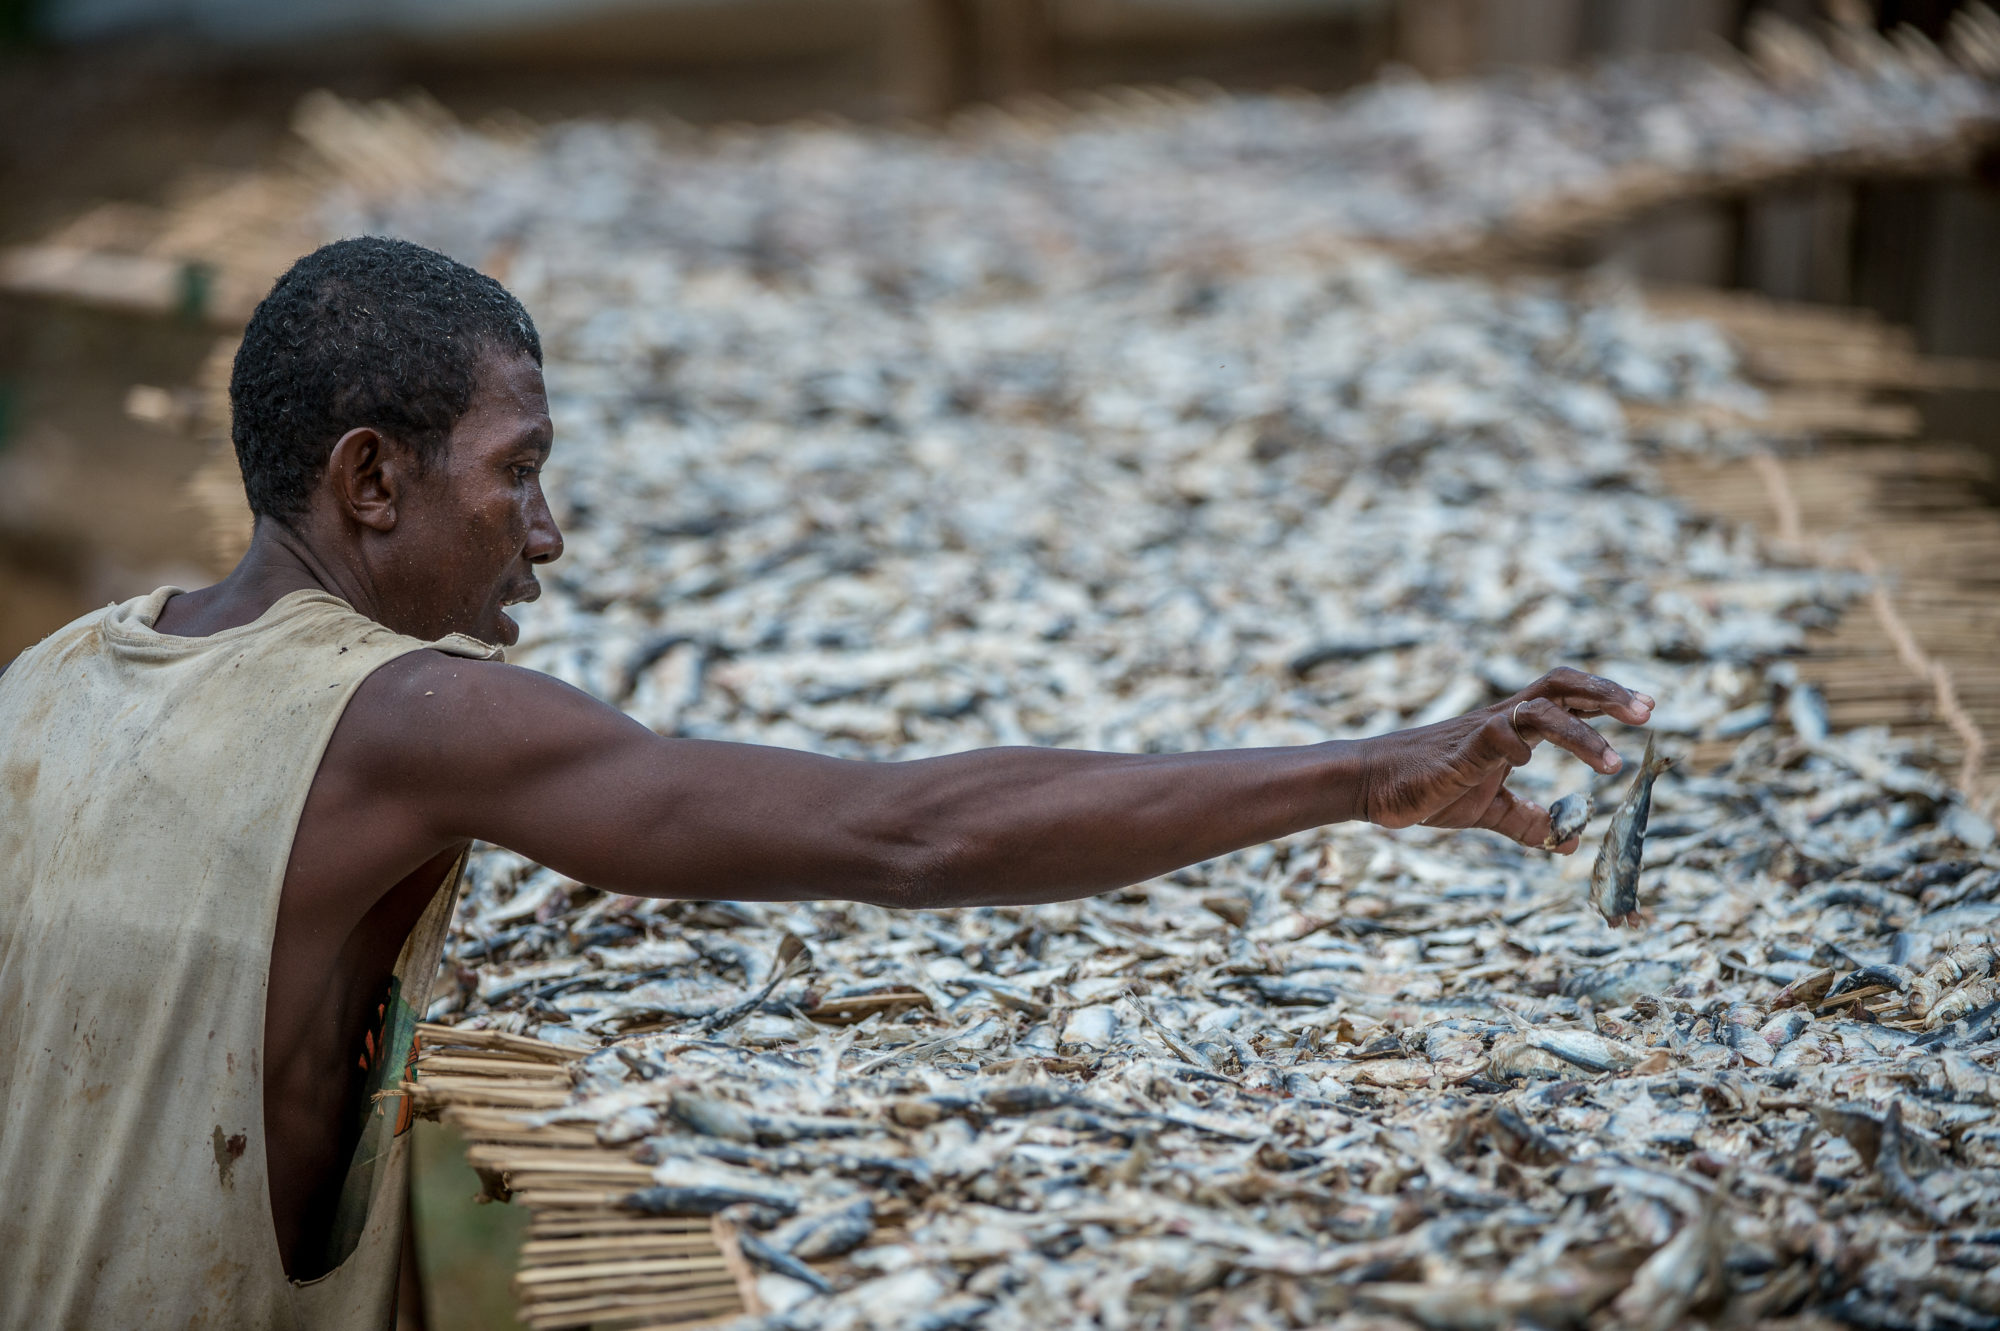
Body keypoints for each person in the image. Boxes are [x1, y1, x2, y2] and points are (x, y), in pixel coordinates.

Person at [0, 236, 1653, 1330]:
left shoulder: (57, 674)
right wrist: (1366, 770)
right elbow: (908, 831)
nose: (552, 534)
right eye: (522, 478)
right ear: (370, 481)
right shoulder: (410, 720)